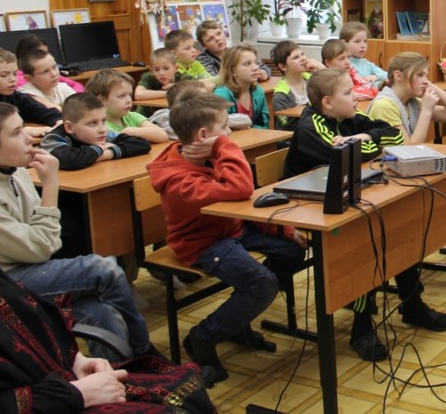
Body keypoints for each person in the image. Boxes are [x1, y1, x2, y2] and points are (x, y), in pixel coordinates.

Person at [147, 93, 306, 387]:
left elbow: (242, 201)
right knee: (262, 283)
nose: (229, 133)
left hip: (231, 229)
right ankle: (203, 337)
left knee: (290, 251)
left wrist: (282, 229)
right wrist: (223, 146)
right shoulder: (182, 182)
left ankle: (238, 318)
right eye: (224, 127)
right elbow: (241, 189)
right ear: (203, 136)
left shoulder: (207, 156)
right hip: (201, 243)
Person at [0, 102, 154, 360]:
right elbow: (41, 248)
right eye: (16, 133)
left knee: (103, 314)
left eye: (24, 129)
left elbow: (43, 240)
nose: (29, 138)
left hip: (31, 265)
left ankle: (121, 376)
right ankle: (145, 355)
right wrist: (51, 184)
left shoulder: (14, 170)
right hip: (3, 284)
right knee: (104, 269)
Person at [282, 69, 418, 361]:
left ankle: (412, 302)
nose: (356, 96)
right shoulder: (311, 126)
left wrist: (364, 135)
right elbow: (355, 153)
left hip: (342, 195)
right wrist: (365, 142)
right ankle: (362, 326)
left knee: (398, 227)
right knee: (366, 243)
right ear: (328, 102)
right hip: (308, 208)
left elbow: (393, 133)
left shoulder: (347, 117)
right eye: (348, 92)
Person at [0, 252, 215, 412]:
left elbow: (22, 306)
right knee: (105, 271)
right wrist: (77, 393)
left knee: (186, 385)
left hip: (55, 379)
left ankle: (141, 352)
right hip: (46, 400)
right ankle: (145, 349)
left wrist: (74, 358)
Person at [41, 92, 151, 170]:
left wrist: (106, 154)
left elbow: (142, 144)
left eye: (103, 121)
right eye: (93, 123)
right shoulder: (53, 139)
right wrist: (100, 148)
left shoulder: (100, 134)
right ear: (69, 127)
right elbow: (71, 160)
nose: (103, 129)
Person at [0, 47, 62, 138]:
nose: (12, 79)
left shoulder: (19, 98)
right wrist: (23, 130)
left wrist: (58, 120)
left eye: (15, 74)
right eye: (4, 75)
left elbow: (44, 113)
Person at [148, 79, 252, 141]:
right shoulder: (163, 117)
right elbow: (180, 133)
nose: (207, 100)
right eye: (202, 98)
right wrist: (215, 123)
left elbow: (246, 120)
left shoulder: (209, 116)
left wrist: (218, 122)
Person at [85, 68, 169, 144]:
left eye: (130, 95)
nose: (129, 100)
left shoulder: (132, 116)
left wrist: (130, 131)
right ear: (102, 100)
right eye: (121, 96)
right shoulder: (100, 126)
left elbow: (163, 136)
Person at [212, 44, 269, 129]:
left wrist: (251, 131)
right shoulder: (222, 95)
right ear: (233, 71)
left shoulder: (258, 91)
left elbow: (264, 125)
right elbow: (219, 127)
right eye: (247, 64)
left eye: (255, 62)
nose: (255, 68)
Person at [270, 40, 323, 129]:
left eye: (302, 54)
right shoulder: (280, 96)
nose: (303, 58)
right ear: (283, 66)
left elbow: (336, 86)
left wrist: (321, 68)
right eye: (296, 57)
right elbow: (285, 123)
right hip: (299, 133)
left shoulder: (313, 79)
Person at [196, 19, 270, 81]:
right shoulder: (203, 59)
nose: (218, 39)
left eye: (219, 33)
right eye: (210, 39)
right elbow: (214, 80)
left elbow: (262, 67)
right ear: (204, 45)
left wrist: (264, 72)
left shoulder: (235, 52)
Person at [12, 34, 85, 93]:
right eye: (39, 53)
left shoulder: (51, 73)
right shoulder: (20, 82)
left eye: (46, 52)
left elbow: (76, 85)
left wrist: (74, 98)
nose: (45, 56)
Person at [134, 47, 190, 116]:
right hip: (145, 117)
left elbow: (201, 86)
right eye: (156, 70)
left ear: (175, 68)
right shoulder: (148, 77)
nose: (161, 73)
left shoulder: (182, 77)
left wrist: (175, 87)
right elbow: (138, 94)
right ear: (152, 71)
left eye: (166, 68)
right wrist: (169, 92)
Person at [340, 21, 386, 89]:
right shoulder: (345, 64)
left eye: (365, 41)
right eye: (357, 41)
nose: (363, 45)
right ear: (344, 43)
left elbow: (386, 74)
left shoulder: (366, 63)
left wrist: (375, 76)